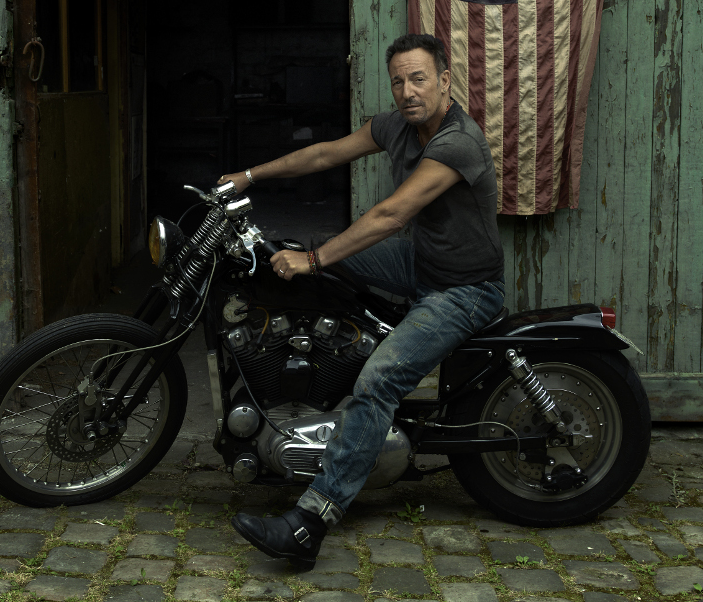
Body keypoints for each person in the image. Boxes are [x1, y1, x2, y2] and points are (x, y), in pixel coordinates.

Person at [216, 33, 505, 569]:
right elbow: (326, 153)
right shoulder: (396, 125)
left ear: (445, 81)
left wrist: (318, 259)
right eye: (398, 80)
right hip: (423, 263)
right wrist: (250, 175)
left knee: (379, 380)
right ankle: (321, 371)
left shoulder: (457, 141)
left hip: (465, 288)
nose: (407, 90)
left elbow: (391, 216)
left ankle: (311, 522)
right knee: (303, 257)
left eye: (419, 78)